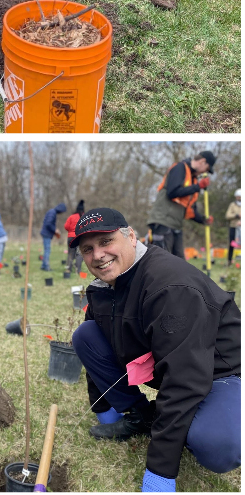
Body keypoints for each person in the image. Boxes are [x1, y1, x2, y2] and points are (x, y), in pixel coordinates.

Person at [69, 208, 240, 491]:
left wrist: (160, 471)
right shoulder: (104, 287)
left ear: (131, 237)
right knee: (86, 334)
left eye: (106, 241)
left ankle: (196, 422)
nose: (98, 255)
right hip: (173, 365)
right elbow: (96, 340)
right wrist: (104, 409)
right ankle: (143, 417)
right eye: (88, 249)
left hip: (220, 373)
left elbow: (184, 379)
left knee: (218, 448)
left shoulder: (170, 286)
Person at [147, 151, 216, 259]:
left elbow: (190, 210)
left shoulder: (193, 180)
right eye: (206, 169)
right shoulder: (180, 168)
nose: (204, 172)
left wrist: (203, 220)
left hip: (176, 225)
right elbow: (172, 192)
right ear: (202, 162)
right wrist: (198, 187)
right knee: (162, 260)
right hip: (163, 221)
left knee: (179, 262)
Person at [40, 201, 68, 271]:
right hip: (46, 234)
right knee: (47, 250)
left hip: (46, 233)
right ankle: (46, 267)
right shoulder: (52, 213)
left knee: (46, 250)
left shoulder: (52, 212)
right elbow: (48, 223)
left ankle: (43, 265)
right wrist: (55, 230)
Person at [64, 200, 86, 275]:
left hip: (71, 237)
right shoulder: (83, 217)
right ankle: (78, 270)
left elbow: (66, 226)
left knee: (70, 253)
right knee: (79, 254)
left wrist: (71, 231)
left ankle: (69, 269)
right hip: (80, 237)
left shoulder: (71, 217)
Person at [227, 190, 241, 266]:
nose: (239, 198)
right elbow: (228, 215)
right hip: (233, 227)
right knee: (232, 244)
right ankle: (229, 260)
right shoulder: (232, 205)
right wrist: (236, 215)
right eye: (237, 196)